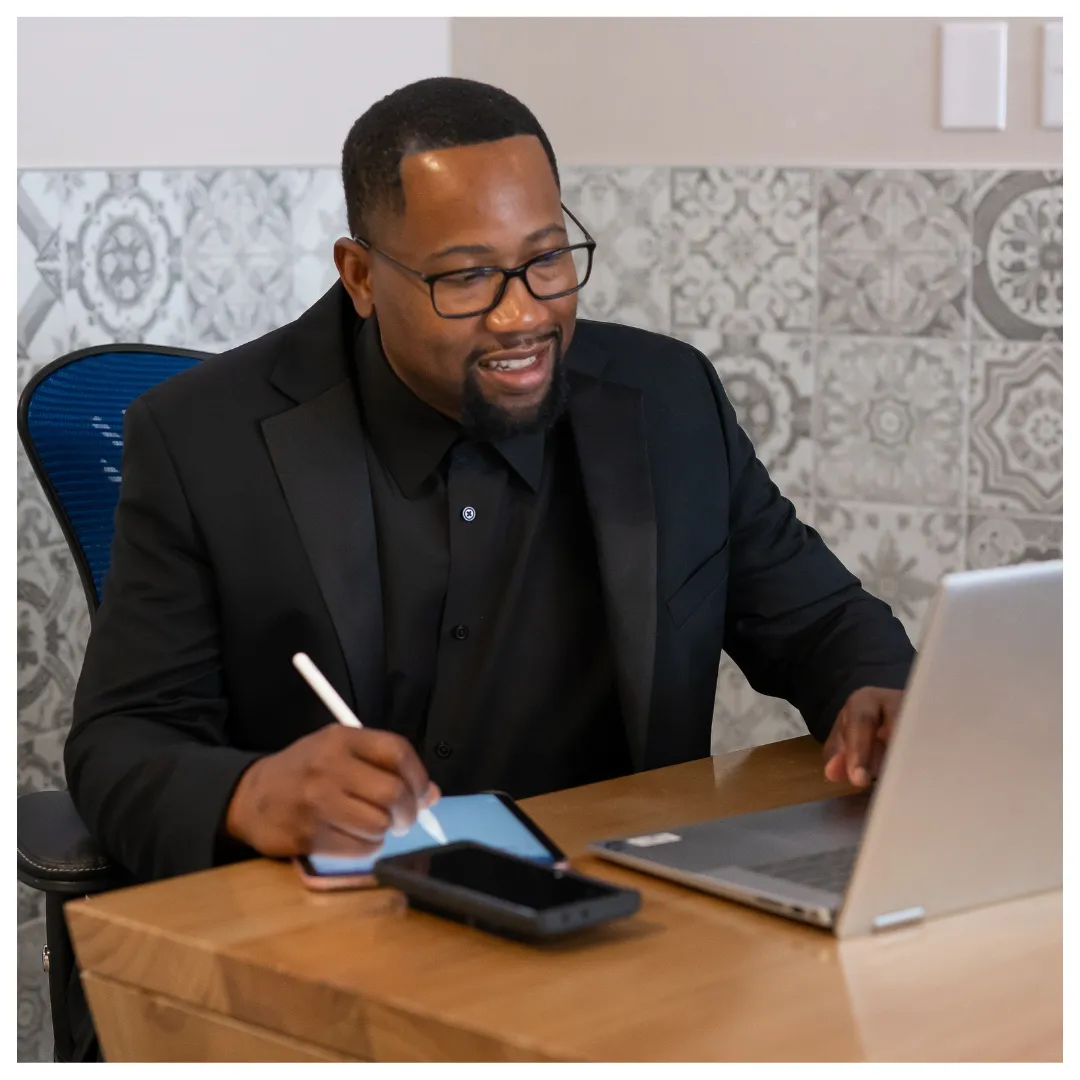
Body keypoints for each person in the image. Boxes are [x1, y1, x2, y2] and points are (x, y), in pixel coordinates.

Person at [67, 77, 914, 888]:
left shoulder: (669, 401)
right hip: (335, 915)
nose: (523, 315)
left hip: (617, 905)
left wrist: (880, 697)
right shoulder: (203, 438)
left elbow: (821, 622)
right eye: (466, 277)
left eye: (547, 260)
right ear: (360, 276)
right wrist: (251, 797)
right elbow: (122, 744)